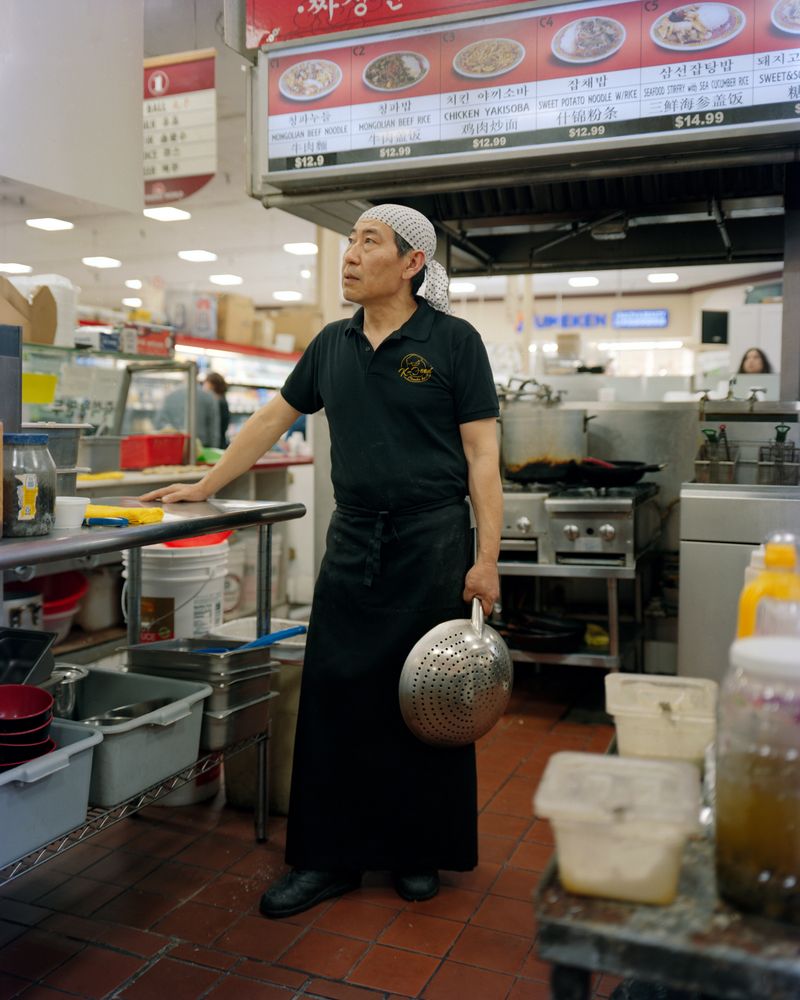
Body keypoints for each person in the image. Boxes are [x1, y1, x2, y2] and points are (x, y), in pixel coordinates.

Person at [140, 204, 502, 919]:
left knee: (425, 696)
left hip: (433, 544)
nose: (351, 254)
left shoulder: (454, 341)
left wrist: (486, 558)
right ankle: (327, 858)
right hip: (355, 539)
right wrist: (206, 485)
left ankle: (416, 849)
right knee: (336, 695)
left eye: (370, 242)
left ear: (412, 263)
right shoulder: (332, 344)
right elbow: (272, 419)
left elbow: (482, 456)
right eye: (349, 241)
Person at [154, 381, 220, 450]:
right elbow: (214, 429)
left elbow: (159, 424)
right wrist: (214, 448)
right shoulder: (208, 396)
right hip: (203, 447)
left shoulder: (169, 396)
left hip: (175, 446)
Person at [203, 372, 230, 448]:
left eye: (206, 383)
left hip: (217, 444)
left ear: (212, 385)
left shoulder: (217, 402)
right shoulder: (222, 400)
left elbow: (216, 427)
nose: (204, 386)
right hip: (221, 441)